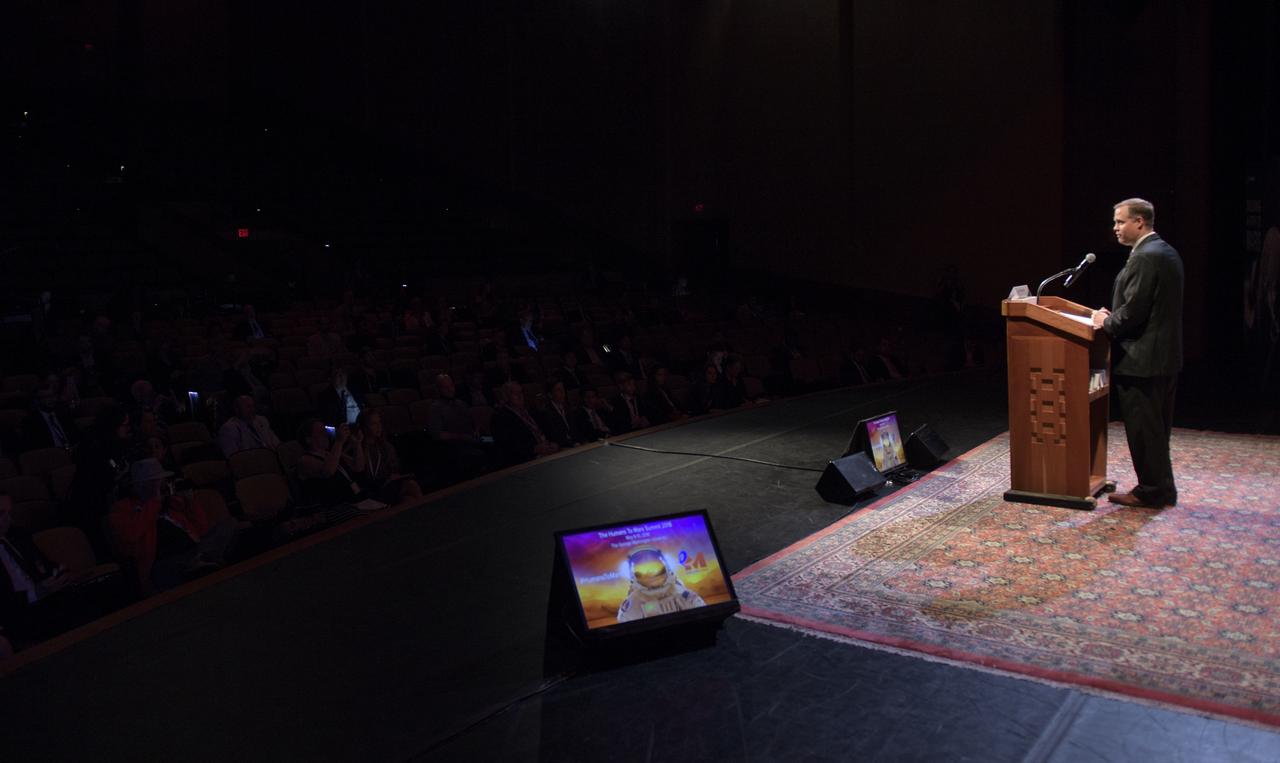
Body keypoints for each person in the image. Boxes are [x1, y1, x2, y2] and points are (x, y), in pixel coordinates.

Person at [1091, 198, 1184, 508]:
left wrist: (1105, 321)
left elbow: (1134, 312)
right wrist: (1115, 316)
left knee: (1145, 430)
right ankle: (1161, 488)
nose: (1115, 228)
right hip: (1162, 357)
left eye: (1120, 222)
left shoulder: (1145, 256)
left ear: (1139, 222)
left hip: (1142, 359)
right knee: (1156, 429)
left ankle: (1152, 490)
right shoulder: (1165, 251)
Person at [108, 459, 238, 592]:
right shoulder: (122, 508)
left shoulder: (171, 504)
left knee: (229, 525)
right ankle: (199, 564)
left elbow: (201, 530)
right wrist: (154, 503)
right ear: (142, 485)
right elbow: (130, 536)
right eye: (157, 482)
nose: (162, 486)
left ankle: (200, 562)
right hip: (162, 562)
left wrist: (190, 503)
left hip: (193, 550)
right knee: (170, 572)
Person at [616, 545, 706, 622]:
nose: (651, 573)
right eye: (643, 570)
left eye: (655, 567)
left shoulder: (681, 593)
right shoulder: (633, 604)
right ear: (633, 575)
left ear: (666, 567)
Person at [355, 410, 422, 504]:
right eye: (374, 424)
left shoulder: (386, 446)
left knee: (409, 497)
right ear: (364, 427)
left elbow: (394, 467)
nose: (379, 427)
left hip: (386, 485)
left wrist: (394, 475)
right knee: (411, 487)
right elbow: (360, 473)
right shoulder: (358, 447)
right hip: (370, 489)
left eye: (379, 422)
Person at [490, 382, 558, 466]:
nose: (520, 396)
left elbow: (548, 428)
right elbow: (507, 446)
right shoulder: (500, 418)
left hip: (547, 452)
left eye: (521, 392)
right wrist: (533, 449)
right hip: (527, 460)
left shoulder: (531, 411)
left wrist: (554, 442)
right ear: (506, 397)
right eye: (514, 393)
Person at [217, 395, 282, 457]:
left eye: (253, 406)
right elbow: (233, 456)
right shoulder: (228, 429)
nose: (252, 409)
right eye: (248, 407)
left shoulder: (261, 420)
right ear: (237, 409)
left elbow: (276, 442)